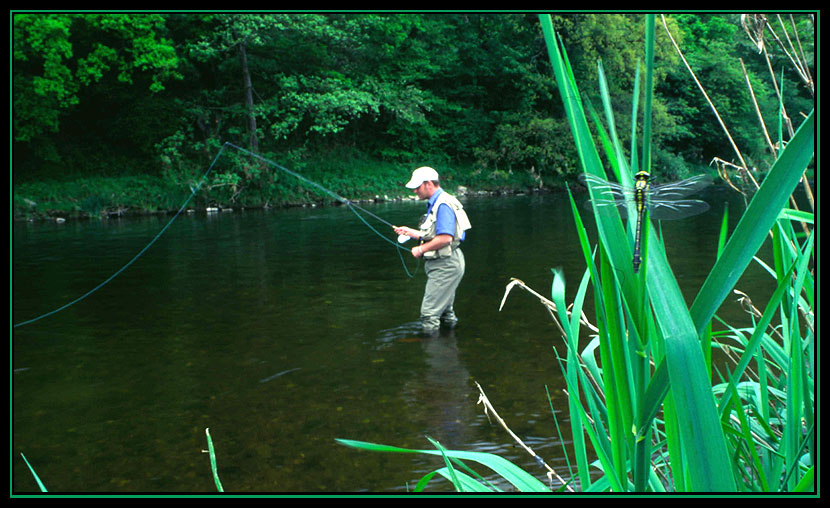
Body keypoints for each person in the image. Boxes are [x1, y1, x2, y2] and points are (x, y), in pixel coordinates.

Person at [393, 167, 471, 335]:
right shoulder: (440, 201)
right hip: (449, 262)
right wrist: (412, 233)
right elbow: (436, 234)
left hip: (446, 265)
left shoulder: (442, 205)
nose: (414, 190)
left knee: (429, 315)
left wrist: (420, 249)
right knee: (445, 312)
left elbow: (445, 238)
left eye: (417, 187)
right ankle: (449, 348)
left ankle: (433, 353)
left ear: (428, 184)